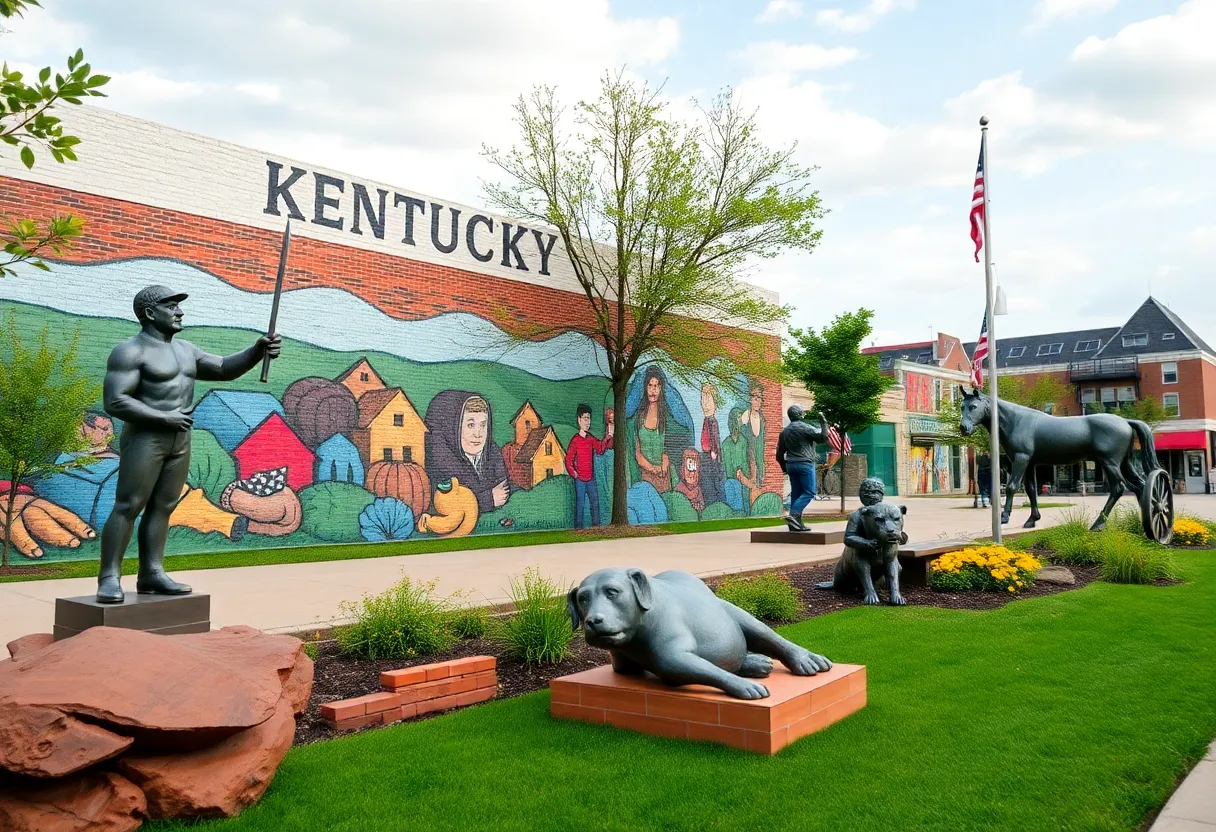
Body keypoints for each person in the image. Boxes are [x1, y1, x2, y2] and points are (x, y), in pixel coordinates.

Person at [98, 285, 280, 603]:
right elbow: (115, 400)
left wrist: (256, 351)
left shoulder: (186, 350)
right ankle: (109, 577)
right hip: (145, 439)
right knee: (129, 505)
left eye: (178, 306)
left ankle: (151, 573)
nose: (179, 312)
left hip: (180, 440)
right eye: (171, 307)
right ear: (150, 313)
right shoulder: (130, 352)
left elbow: (224, 369)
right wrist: (163, 418)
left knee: (164, 506)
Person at [424, 391, 510, 514]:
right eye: (470, 425)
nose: (478, 434)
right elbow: (446, 503)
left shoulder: (492, 453)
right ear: (451, 428)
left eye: (483, 425)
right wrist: (487, 499)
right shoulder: (442, 461)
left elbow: (503, 488)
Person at [775, 405, 829, 531]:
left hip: (791, 465)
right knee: (809, 493)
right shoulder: (805, 427)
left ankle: (795, 525)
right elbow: (823, 438)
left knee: (796, 494)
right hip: (805, 464)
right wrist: (824, 422)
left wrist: (784, 468)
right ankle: (793, 514)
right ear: (800, 415)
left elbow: (779, 454)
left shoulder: (784, 432)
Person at [565, 404, 613, 528]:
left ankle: (596, 528)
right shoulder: (575, 440)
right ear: (579, 420)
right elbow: (568, 460)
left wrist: (608, 437)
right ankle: (578, 529)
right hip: (580, 480)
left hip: (591, 478)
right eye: (585, 419)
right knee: (580, 504)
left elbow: (600, 449)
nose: (588, 422)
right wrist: (574, 473)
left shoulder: (590, 439)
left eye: (589, 418)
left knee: (595, 503)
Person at [630, 366, 672, 493]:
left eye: (656, 386)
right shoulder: (639, 416)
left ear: (661, 389)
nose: (653, 390)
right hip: (644, 476)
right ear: (645, 387)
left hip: (663, 475)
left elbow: (667, 449)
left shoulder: (665, 415)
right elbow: (637, 454)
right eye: (650, 385)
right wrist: (652, 468)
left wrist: (664, 465)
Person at [722, 406, 758, 508]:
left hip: (745, 480)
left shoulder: (744, 440)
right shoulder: (726, 444)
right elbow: (727, 466)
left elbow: (747, 460)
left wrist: (746, 477)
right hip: (732, 481)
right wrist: (737, 473)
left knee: (747, 504)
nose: (741, 420)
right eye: (739, 417)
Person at [699, 384, 726, 506]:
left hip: (711, 458)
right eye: (703, 399)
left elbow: (715, 438)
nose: (705, 404)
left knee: (713, 483)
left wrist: (713, 452)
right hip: (707, 456)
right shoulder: (706, 420)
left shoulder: (712, 422)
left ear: (715, 404)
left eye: (708, 400)